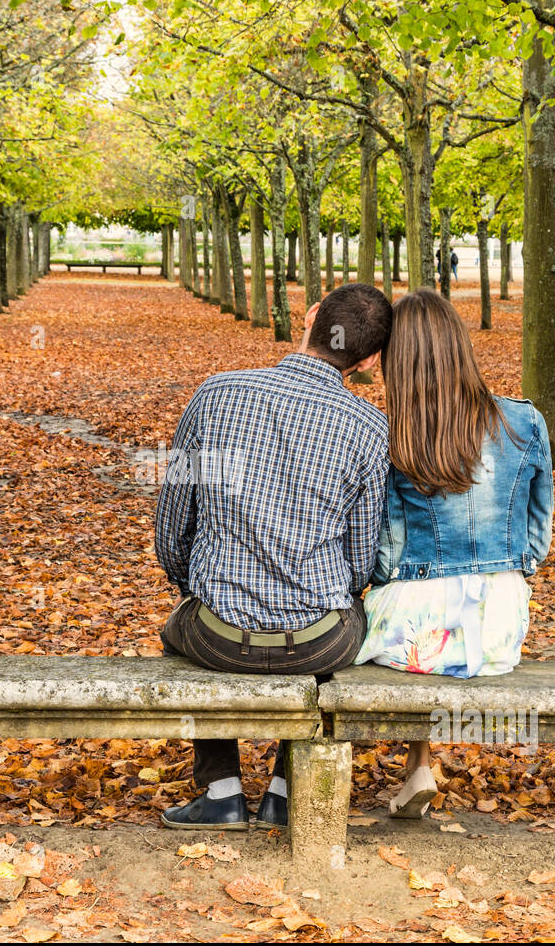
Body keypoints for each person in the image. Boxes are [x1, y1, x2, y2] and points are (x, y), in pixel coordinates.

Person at [155, 283, 392, 831]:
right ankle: (284, 792)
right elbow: (360, 565)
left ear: (309, 316)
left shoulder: (215, 396)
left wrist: (198, 584)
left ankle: (220, 789)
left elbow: (172, 527)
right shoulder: (370, 429)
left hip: (217, 633)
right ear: (370, 360)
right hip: (318, 642)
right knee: (346, 622)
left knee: (176, 634)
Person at [354, 288, 554, 820]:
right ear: (459, 344)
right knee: (434, 629)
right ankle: (419, 764)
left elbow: (385, 553)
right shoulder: (525, 421)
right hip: (496, 630)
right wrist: (507, 571)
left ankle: (414, 765)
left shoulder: (389, 433)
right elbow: (537, 539)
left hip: (415, 634)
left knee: (381, 624)